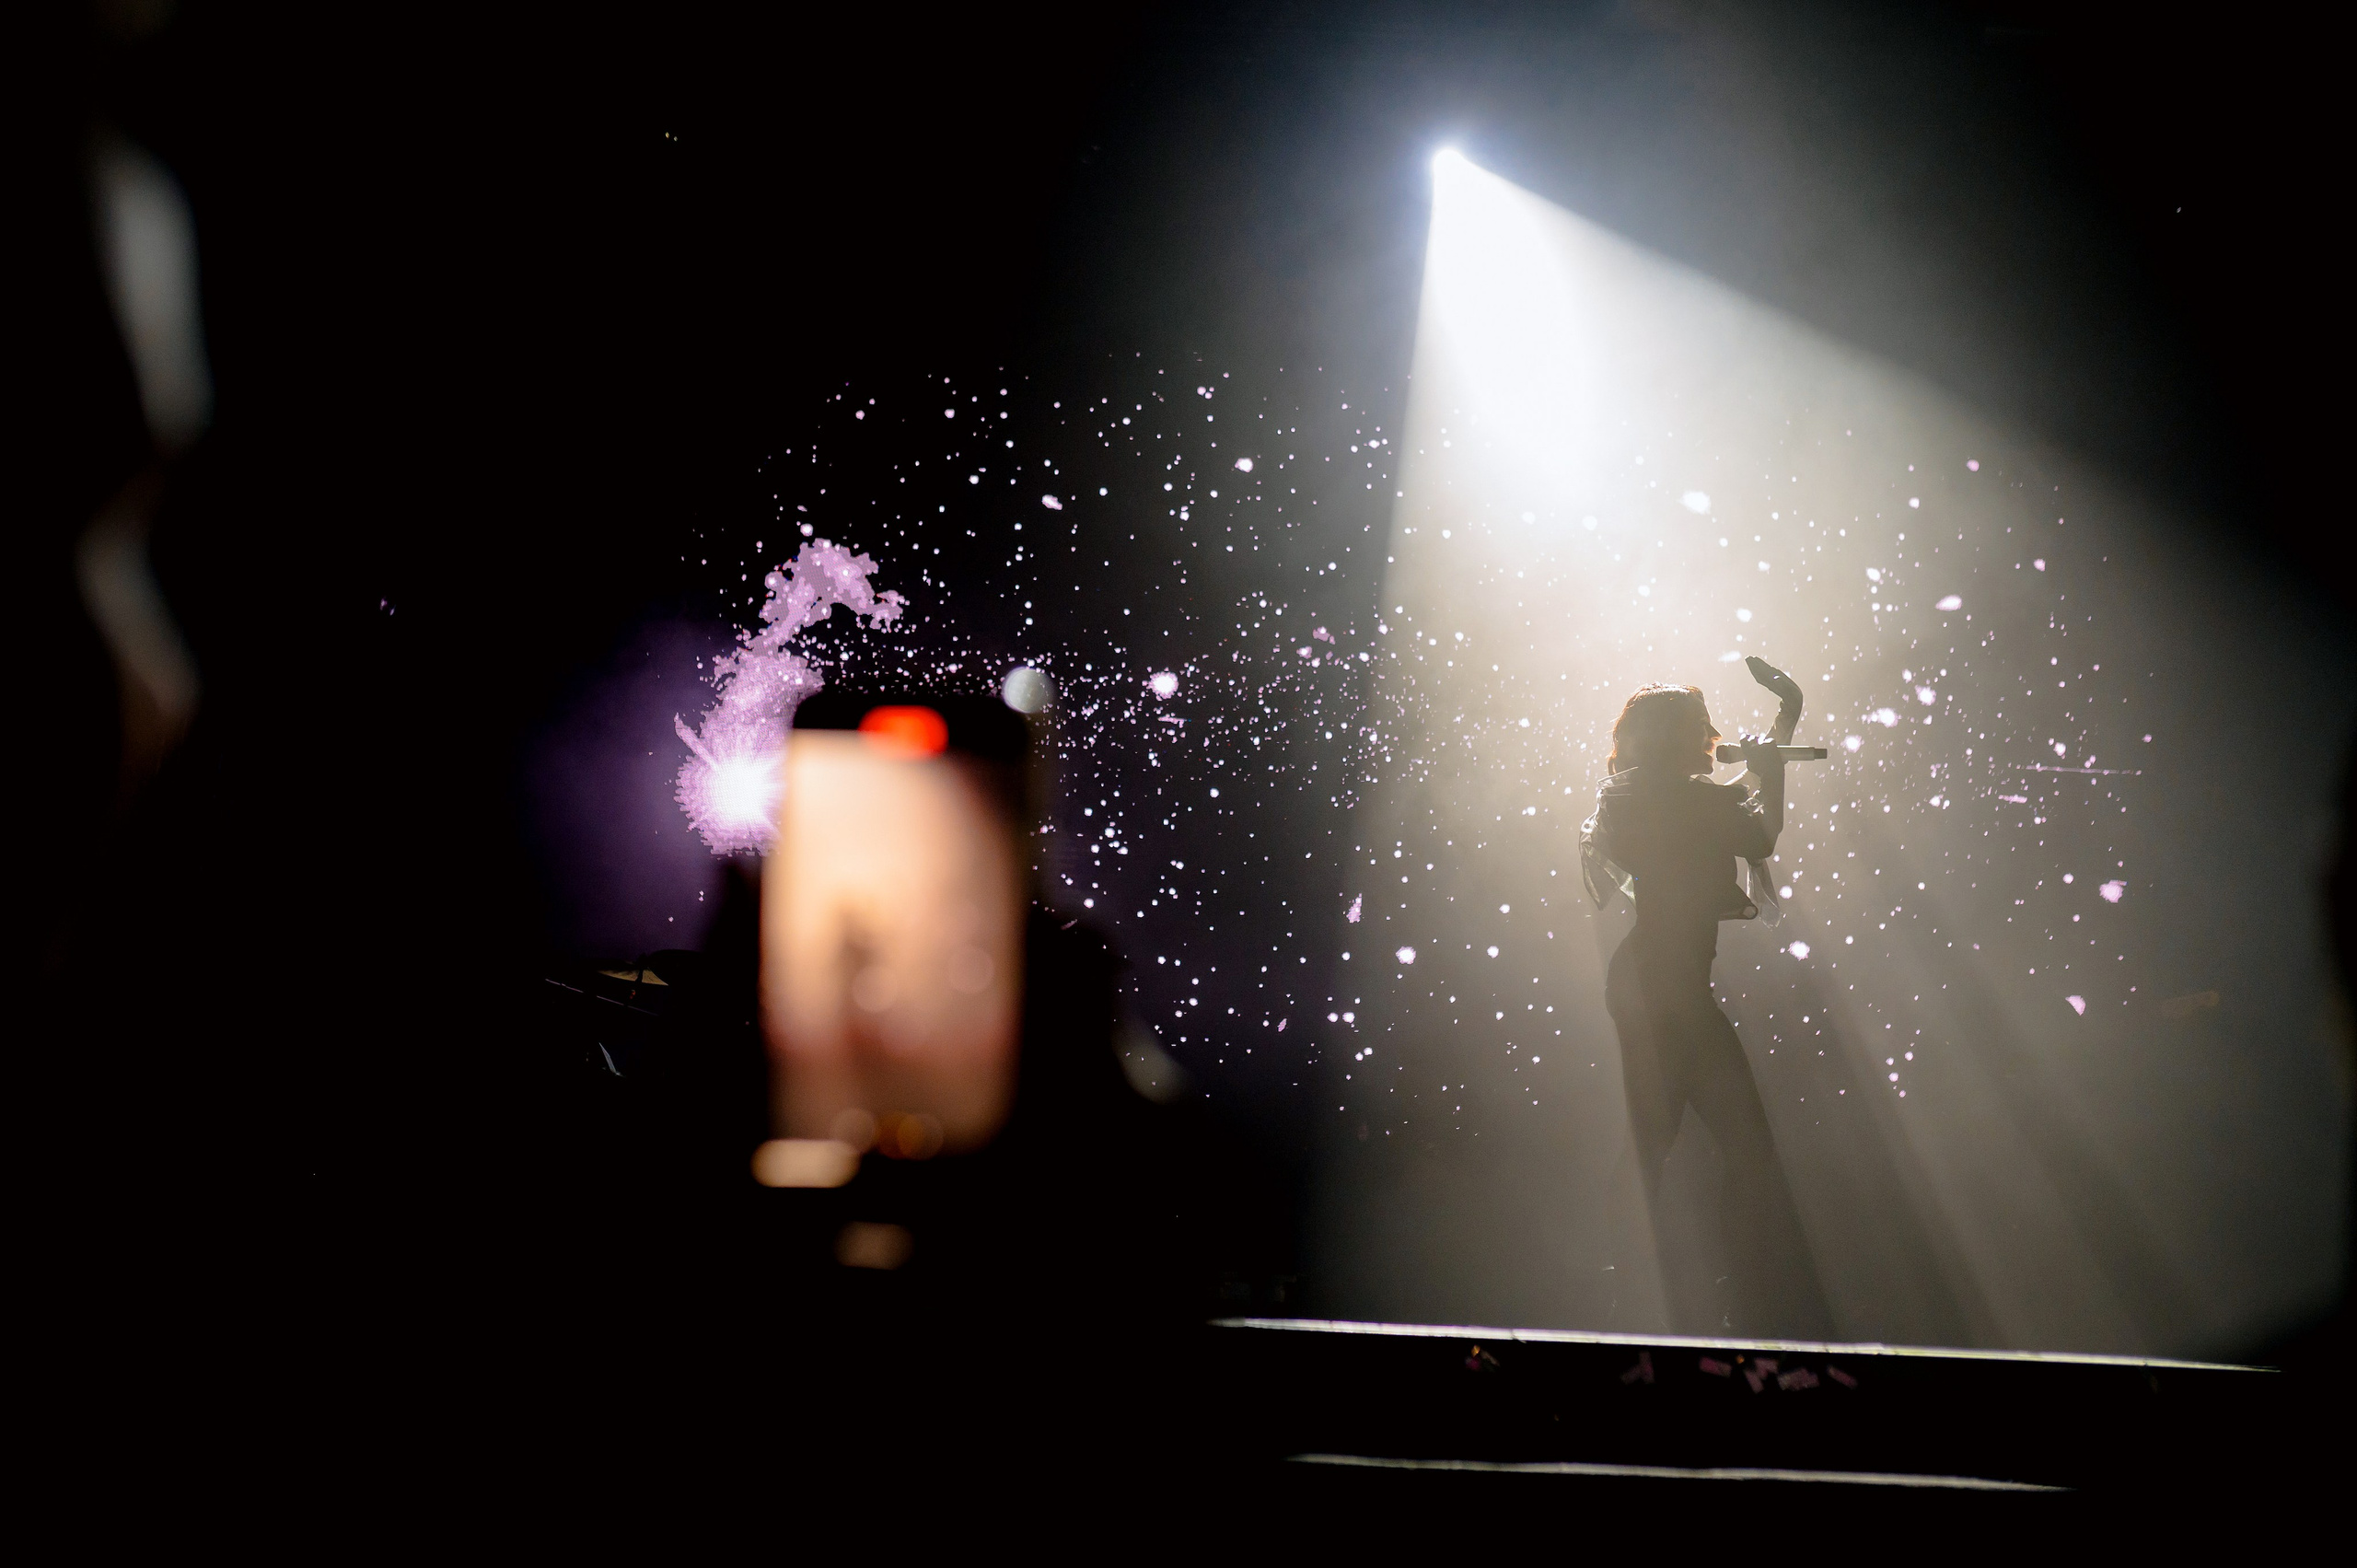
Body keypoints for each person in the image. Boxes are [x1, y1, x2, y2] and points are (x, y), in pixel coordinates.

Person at [1581, 656, 1833, 1335]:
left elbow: (1734, 807)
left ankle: (1638, 1290)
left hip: (1653, 984)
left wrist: (1784, 719)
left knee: (1656, 1139)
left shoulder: (1649, 797)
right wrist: (1772, 759)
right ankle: (1722, 1295)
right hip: (1665, 991)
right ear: (1675, 736)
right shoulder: (1676, 801)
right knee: (1732, 1143)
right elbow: (1756, 829)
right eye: (1699, 725)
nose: (1711, 734)